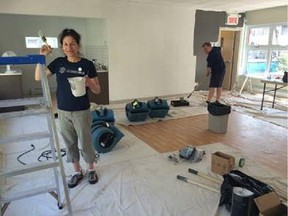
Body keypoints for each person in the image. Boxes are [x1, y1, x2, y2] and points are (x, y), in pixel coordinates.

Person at [35, 29, 101, 188]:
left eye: (72, 43)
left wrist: (89, 83)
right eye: (65, 44)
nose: (69, 47)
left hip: (82, 111)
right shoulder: (58, 63)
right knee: (70, 143)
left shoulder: (87, 64)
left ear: (78, 45)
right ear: (61, 46)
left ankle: (91, 169)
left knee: (85, 142)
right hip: (63, 111)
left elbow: (97, 89)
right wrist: (41, 56)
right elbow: (39, 77)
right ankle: (77, 171)